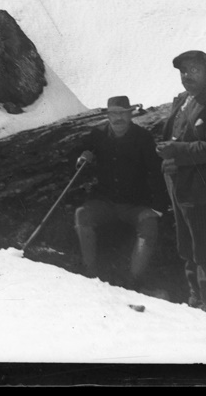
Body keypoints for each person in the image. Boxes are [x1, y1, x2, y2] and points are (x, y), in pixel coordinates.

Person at [157, 50, 206, 316]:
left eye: (194, 70)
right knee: (186, 247)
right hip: (178, 185)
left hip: (201, 188)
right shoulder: (182, 100)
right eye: (183, 70)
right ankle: (195, 301)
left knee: (205, 251)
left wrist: (176, 150)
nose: (187, 75)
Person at [71, 96, 170, 289]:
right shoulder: (98, 134)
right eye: (113, 114)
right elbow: (83, 149)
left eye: (122, 113)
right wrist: (83, 157)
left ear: (130, 114)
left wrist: (158, 208)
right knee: (82, 215)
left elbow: (158, 172)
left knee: (149, 226)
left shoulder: (143, 138)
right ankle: (90, 273)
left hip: (135, 205)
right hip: (105, 202)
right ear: (107, 115)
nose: (118, 118)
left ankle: (133, 280)